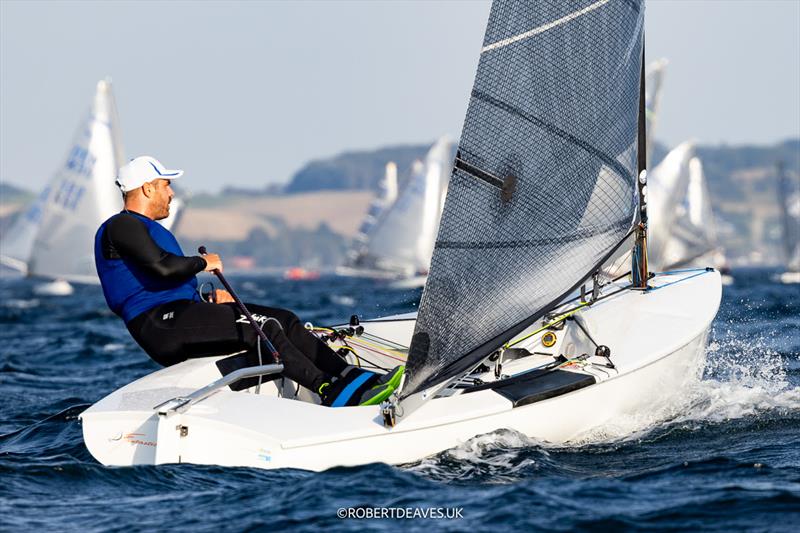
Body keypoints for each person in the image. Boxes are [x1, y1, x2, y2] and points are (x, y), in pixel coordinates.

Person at [94, 155, 403, 407]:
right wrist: (203, 262)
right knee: (263, 328)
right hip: (159, 325)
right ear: (147, 189)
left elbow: (157, 278)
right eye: (166, 185)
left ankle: (353, 378)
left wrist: (207, 303)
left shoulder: (142, 227)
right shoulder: (122, 225)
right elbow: (163, 269)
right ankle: (330, 391)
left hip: (179, 315)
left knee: (284, 319)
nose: (171, 193)